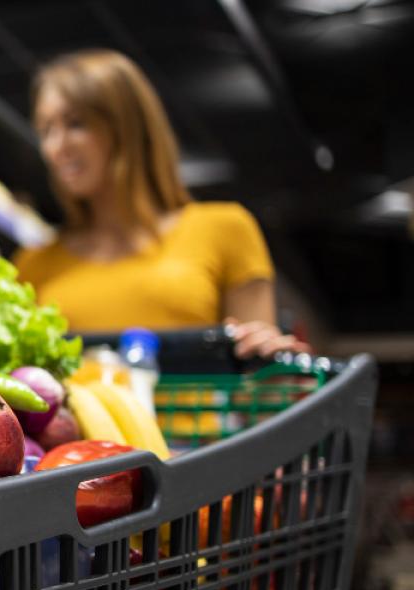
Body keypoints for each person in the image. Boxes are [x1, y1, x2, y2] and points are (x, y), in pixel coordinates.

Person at [15, 49, 308, 358]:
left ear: (127, 126)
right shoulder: (33, 265)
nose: (56, 147)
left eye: (75, 124)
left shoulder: (225, 228)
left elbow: (260, 375)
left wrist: (267, 353)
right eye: (46, 130)